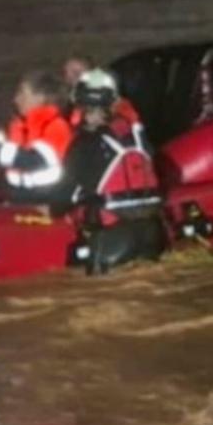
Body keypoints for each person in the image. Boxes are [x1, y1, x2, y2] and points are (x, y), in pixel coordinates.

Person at [60, 69, 164, 274]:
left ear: (81, 105)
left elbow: (64, 194)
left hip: (111, 239)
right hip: (153, 233)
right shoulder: (138, 137)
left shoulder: (84, 145)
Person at [0, 70, 74, 204]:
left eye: (22, 93)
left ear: (40, 97)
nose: (16, 99)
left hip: (45, 202)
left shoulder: (56, 127)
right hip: (15, 198)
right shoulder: (18, 126)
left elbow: (35, 161)